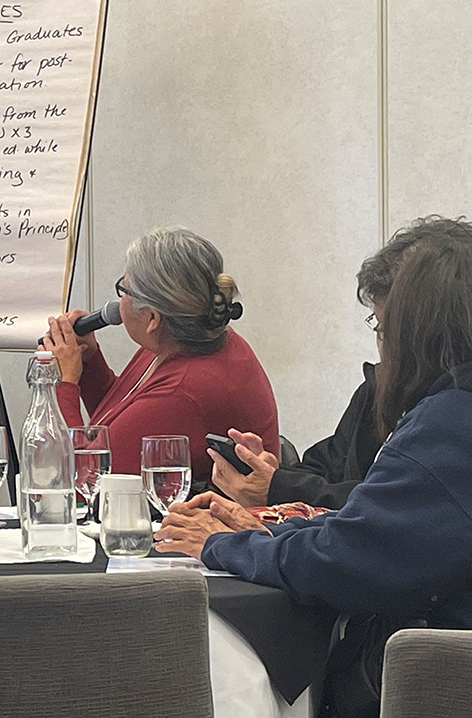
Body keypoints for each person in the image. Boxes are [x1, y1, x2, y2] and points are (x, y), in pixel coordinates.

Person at [158, 229, 472, 713]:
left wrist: (220, 544)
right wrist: (270, 527)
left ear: (419, 335)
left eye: (383, 329)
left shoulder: (450, 422)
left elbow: (348, 560)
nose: (382, 348)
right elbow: (380, 523)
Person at [211, 216, 472, 510]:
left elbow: (381, 505)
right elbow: (325, 468)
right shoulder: (377, 388)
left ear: (428, 330)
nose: (382, 342)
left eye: (386, 328)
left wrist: (278, 489)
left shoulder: (450, 417)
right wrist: (271, 475)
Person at [41, 226, 279, 492]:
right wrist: (88, 362)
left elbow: (85, 481)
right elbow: (123, 426)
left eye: (125, 289)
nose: (117, 303)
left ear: (153, 318)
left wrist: (64, 383)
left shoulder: (184, 391)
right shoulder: (180, 341)